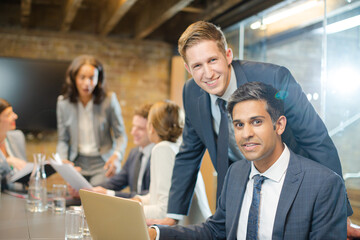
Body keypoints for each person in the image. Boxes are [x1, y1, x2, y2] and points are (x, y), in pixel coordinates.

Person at [160, 20, 353, 227]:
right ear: (188, 68)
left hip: (291, 185)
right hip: (238, 187)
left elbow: (315, 138)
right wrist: (172, 216)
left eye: (213, 60)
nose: (207, 74)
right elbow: (189, 153)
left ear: (228, 55)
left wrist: (340, 212)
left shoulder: (274, 78)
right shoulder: (191, 93)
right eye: (197, 65)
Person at [148, 82, 348, 240]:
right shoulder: (236, 173)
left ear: (279, 125)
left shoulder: (324, 185)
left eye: (256, 122)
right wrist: (158, 234)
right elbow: (216, 231)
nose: (246, 134)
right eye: (239, 124)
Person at [133, 101, 211, 224]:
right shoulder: (178, 147)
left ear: (152, 127)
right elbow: (166, 195)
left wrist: (130, 209)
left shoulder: (162, 149)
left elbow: (164, 212)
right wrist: (140, 200)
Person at [56, 55, 127, 186]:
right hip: (77, 164)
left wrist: (117, 156)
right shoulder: (63, 103)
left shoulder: (109, 100)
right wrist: (63, 160)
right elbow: (63, 139)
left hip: (102, 164)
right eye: (82, 77)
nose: (87, 83)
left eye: (91, 78)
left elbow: (121, 135)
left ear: (98, 79)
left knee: (96, 198)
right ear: (74, 78)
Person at [91, 103, 154, 198]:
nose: (133, 132)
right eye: (133, 126)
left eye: (140, 128)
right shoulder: (134, 153)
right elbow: (115, 183)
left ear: (152, 129)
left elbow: (150, 195)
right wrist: (88, 189)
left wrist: (109, 194)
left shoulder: (159, 156)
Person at [0, 98, 27, 187]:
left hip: (20, 196)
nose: (15, 116)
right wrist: (6, 162)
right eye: (8, 114)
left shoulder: (17, 137)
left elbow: (25, 170)